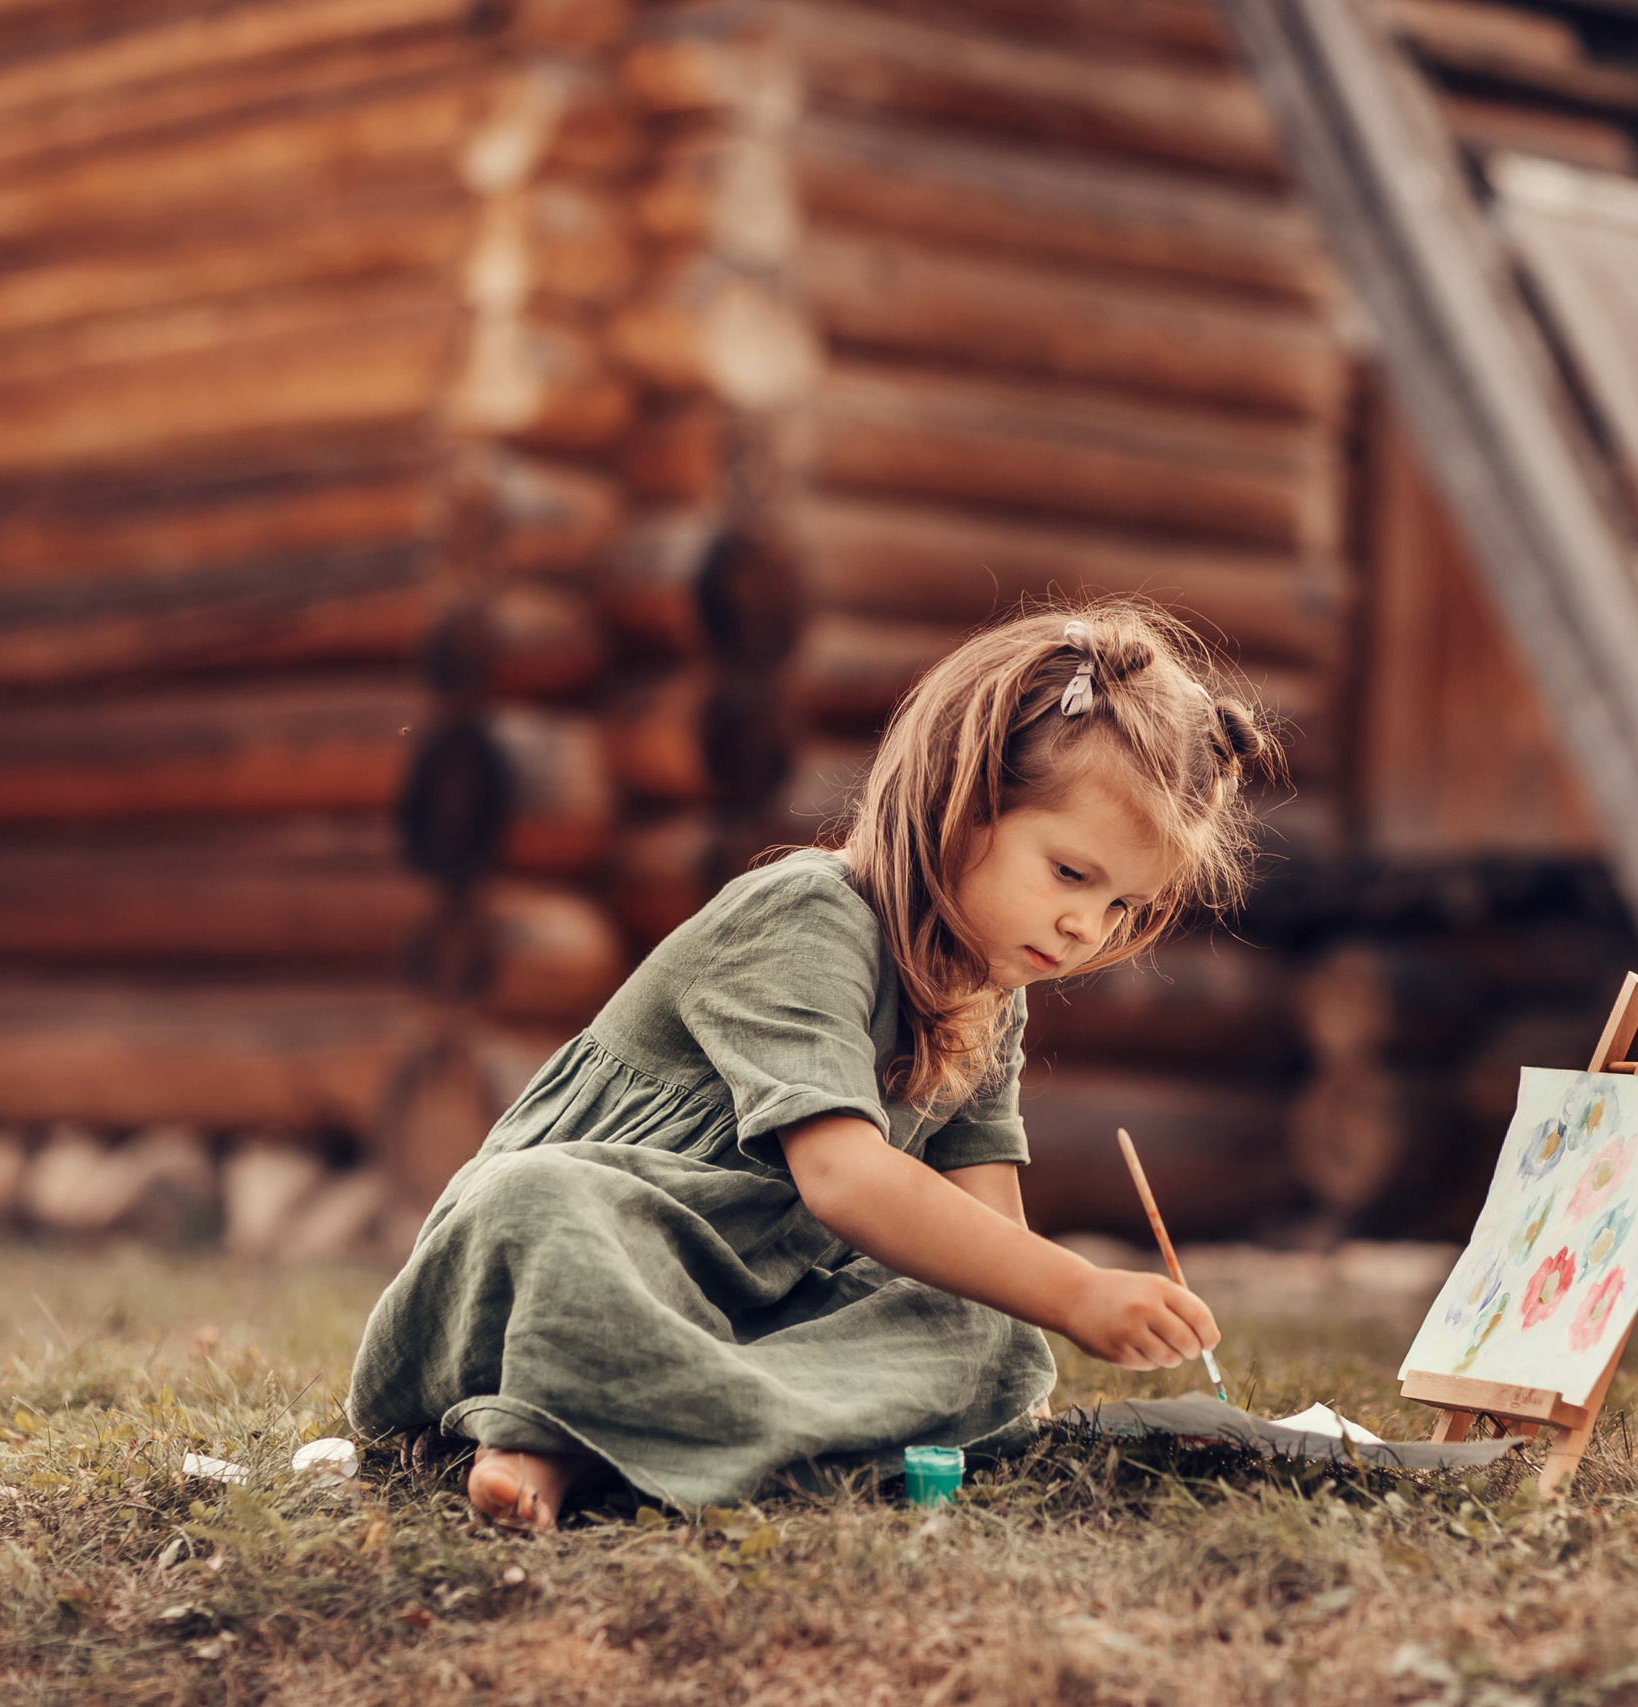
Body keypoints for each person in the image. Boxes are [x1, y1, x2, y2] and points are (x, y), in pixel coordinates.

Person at [348, 600, 1277, 1529]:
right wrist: (1079, 1291)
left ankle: (658, 1428)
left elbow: (992, 1225)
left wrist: (1036, 1329)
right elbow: (842, 1179)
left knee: (990, 1329)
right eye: (1072, 874)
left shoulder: (988, 987)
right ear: (964, 797)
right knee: (546, 1199)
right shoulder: (808, 913)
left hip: (764, 1297)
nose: (1086, 927)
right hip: (600, 1256)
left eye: (1121, 906)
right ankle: (543, 1435)